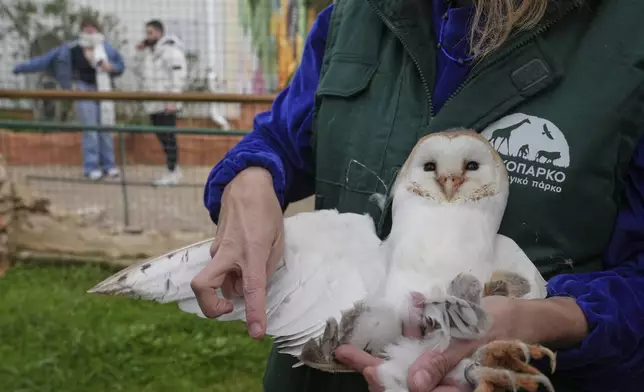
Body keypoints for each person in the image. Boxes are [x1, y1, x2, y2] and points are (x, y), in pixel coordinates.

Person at [194, 0, 644, 391]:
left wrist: (547, 320)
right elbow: (283, 137)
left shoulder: (629, 37)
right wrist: (251, 174)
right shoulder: (357, 15)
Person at [13, 18, 125, 181]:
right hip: (83, 89)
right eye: (86, 29)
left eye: (92, 29)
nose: (89, 32)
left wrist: (112, 67)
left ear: (98, 31)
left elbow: (120, 65)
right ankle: (91, 167)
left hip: (103, 90)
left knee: (106, 128)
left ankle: (109, 166)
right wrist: (20, 68)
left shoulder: (107, 48)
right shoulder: (70, 48)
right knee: (90, 129)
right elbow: (45, 60)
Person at [136, 19, 188, 187]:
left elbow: (178, 76)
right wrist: (139, 52)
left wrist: (173, 99)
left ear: (160, 33)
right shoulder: (149, 53)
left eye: (150, 33)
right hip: (153, 104)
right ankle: (173, 168)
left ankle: (172, 171)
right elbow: (137, 71)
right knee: (162, 137)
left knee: (168, 137)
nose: (148, 36)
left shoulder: (171, 51)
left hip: (166, 103)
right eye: (147, 33)